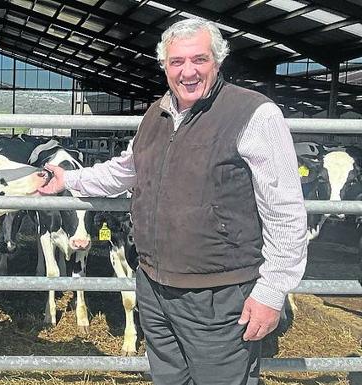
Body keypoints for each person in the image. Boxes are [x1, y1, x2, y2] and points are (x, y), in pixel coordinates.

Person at [35, 17, 307, 385]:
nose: (188, 72)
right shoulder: (155, 114)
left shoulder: (255, 114)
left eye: (199, 60)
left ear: (218, 60)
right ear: (164, 66)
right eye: (177, 62)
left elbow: (286, 210)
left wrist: (272, 291)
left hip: (219, 295)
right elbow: (127, 170)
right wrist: (70, 179)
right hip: (153, 287)